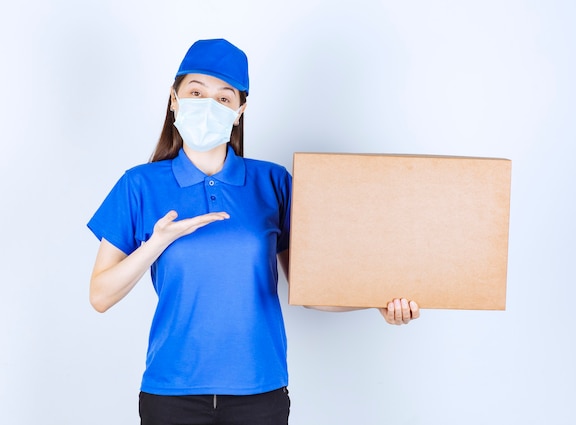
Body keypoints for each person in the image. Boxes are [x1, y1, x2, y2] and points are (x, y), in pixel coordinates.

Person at [87, 38, 420, 425]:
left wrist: (379, 300)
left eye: (224, 98)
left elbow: (309, 288)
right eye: (196, 92)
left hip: (260, 393)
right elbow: (100, 296)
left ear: (240, 111)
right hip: (171, 392)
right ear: (174, 99)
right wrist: (156, 244)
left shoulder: (273, 182)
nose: (209, 105)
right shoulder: (139, 184)